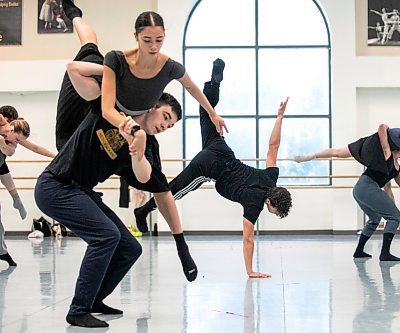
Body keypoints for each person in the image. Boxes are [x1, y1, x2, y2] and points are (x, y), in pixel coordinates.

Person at [33, 18, 198, 329]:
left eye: (171, 124)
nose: (165, 125)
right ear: (150, 106)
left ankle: (95, 300)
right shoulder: (106, 106)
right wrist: (111, 71)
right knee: (106, 237)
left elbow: (151, 181)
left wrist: (137, 149)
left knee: (130, 247)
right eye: (165, 116)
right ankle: (79, 309)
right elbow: (74, 68)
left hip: (79, 190)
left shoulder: (148, 146)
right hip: (56, 185)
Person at [134, 59, 293, 278]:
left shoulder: (271, 176)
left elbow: (272, 147)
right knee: (173, 191)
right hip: (209, 167)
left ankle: (213, 84)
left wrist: (280, 117)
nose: (273, 214)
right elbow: (248, 238)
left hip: (220, 147)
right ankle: (143, 210)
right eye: (276, 212)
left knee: (206, 111)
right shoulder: (255, 204)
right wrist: (250, 271)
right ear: (270, 202)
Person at [60, 1, 227, 159]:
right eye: (147, 40)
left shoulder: (171, 67)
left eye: (159, 40)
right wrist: (111, 72)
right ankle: (74, 14)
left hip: (116, 91)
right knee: (89, 44)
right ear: (136, 36)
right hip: (102, 82)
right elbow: (107, 110)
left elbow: (191, 88)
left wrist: (213, 114)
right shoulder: (117, 59)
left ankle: (74, 14)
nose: (154, 46)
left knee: (90, 43)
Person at [352, 124, 400, 261]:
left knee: (375, 219)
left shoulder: (398, 169)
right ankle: (385, 253)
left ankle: (358, 251)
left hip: (360, 189)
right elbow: (382, 128)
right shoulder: (386, 155)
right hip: (366, 186)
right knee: (395, 216)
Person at [294, 125, 400, 184]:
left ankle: (392, 217)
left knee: (386, 183)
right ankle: (310, 156)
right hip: (373, 145)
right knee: (337, 153)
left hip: (376, 152)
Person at [0, 119, 31, 267]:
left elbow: (10, 152)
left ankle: (1, 251)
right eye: (17, 139)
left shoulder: (10, 143)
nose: (17, 142)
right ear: (12, 130)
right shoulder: (5, 128)